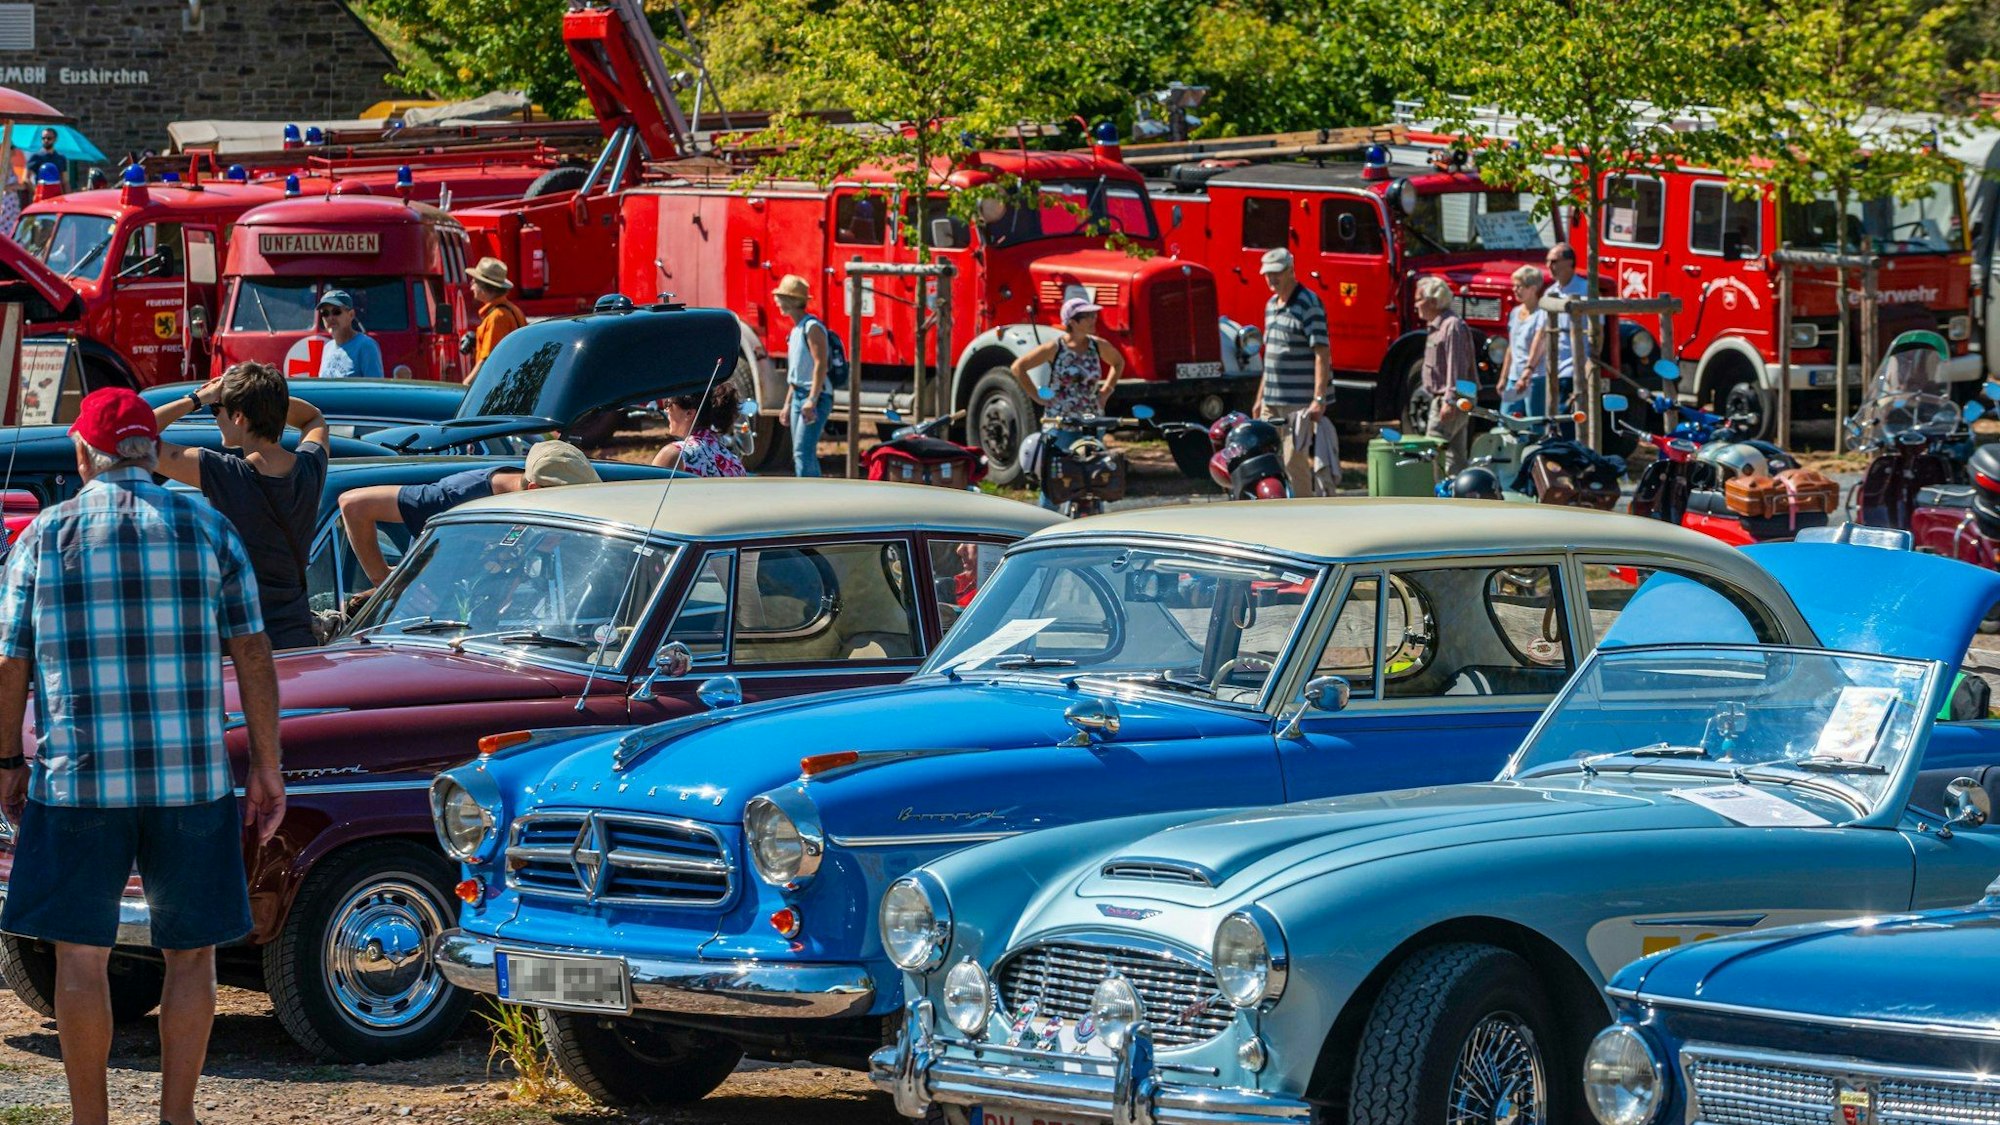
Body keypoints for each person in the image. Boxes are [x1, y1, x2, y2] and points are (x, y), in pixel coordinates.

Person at [0, 387, 283, 1125]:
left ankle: (90, 1119)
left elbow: (9, 665)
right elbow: (253, 649)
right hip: (190, 778)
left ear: (84, 451)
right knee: (192, 955)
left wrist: (6, 761)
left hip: (80, 778)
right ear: (151, 451)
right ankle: (176, 1116)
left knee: (80, 956)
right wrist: (266, 762)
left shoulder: (43, 536)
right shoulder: (209, 526)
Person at [152, 361, 330, 650]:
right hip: (297, 640)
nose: (213, 417)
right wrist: (266, 400)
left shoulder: (224, 474)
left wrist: (197, 398)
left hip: (241, 642)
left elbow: (133, 438)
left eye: (216, 409)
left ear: (238, 417)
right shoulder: (311, 467)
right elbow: (314, 418)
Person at [337, 439, 600, 603]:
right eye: (567, 500)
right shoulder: (458, 495)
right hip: (429, 630)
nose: (571, 509)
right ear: (533, 489)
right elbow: (354, 504)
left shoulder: (536, 504)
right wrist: (385, 584)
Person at [1010, 296, 1123, 508]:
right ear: (1072, 321)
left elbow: (1118, 362)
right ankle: (1045, 525)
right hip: (1060, 423)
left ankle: (1092, 526)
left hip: (1091, 421)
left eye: (1093, 315)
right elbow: (1019, 367)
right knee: (1057, 478)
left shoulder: (1098, 346)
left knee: (1095, 478)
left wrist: (1106, 390)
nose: (1093, 319)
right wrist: (1037, 395)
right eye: (1087, 316)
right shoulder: (1056, 348)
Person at [1250, 248, 1331, 498]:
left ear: (1290, 271)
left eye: (1276, 273)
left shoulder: (1308, 302)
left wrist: (1319, 398)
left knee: (1293, 463)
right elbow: (1271, 356)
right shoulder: (1271, 305)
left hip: (1297, 403)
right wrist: (1259, 398)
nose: (1271, 279)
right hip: (1271, 400)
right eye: (1267, 274)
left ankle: (1304, 515)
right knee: (1266, 461)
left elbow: (1322, 351)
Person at [773, 274, 835, 477]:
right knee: (800, 452)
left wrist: (812, 400)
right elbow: (796, 373)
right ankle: (810, 492)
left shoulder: (812, 327)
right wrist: (787, 404)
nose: (777, 302)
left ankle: (811, 496)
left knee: (802, 452)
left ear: (790, 300)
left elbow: (821, 364)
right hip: (800, 395)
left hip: (814, 397)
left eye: (781, 298)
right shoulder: (797, 329)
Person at [1416, 276, 1474, 473]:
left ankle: (1433, 495)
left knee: (1432, 450)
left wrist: (1449, 401)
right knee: (1455, 457)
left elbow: (1456, 366)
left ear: (1433, 301)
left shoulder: (1451, 326)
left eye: (1419, 300)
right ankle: (1456, 497)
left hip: (1449, 400)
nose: (1416, 305)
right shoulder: (1438, 325)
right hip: (1449, 398)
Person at [652, 381, 748, 477]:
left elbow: (651, 491)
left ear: (689, 413)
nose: (666, 410)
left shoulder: (673, 455)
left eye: (668, 404)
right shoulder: (734, 462)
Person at [464, 256, 526, 383]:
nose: (471, 287)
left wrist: (466, 386)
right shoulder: (513, 310)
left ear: (484, 287)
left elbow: (486, 361)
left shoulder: (496, 318)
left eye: (474, 282)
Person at [1545, 242, 1591, 408]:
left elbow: (1598, 330)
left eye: (1554, 261)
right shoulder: (1550, 292)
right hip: (1552, 367)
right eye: (1548, 261)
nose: (1549, 266)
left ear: (1570, 263)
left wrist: (1590, 364)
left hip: (1574, 368)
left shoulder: (1585, 290)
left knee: (1569, 419)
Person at [1500, 266, 1549, 420]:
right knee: (1506, 419)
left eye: (1519, 286)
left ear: (1533, 288)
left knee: (1534, 422)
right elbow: (1511, 346)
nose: (1515, 290)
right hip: (1514, 378)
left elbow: (1539, 342)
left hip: (1534, 378)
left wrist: (1527, 373)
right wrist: (1504, 377)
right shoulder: (1515, 312)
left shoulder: (1542, 313)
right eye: (1514, 286)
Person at [314, 289, 384, 379]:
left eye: (336, 312)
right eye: (325, 313)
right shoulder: (327, 348)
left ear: (351, 315)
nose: (330, 318)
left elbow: (375, 389)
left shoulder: (366, 346)